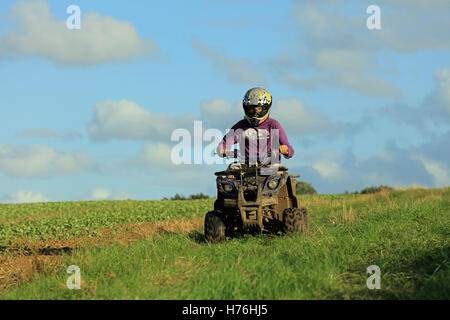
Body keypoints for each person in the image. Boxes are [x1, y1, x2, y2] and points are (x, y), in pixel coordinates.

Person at [216, 87, 294, 165]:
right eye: (251, 109)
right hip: (247, 169)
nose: (255, 113)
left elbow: (290, 150)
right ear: (246, 108)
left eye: (259, 109)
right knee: (230, 175)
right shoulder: (241, 126)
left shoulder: (273, 125)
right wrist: (222, 150)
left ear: (266, 108)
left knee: (275, 176)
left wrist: (285, 149)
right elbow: (224, 143)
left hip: (270, 167)